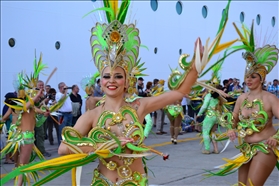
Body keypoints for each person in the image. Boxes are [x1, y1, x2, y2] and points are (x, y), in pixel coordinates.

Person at [1, 1, 237, 185]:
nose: (111, 81)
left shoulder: (139, 107)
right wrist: (102, 148)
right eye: (106, 76)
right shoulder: (93, 114)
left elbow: (179, 93)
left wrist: (196, 67)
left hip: (134, 182)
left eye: (118, 76)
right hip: (102, 182)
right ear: (100, 82)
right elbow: (64, 148)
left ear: (127, 81)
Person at [206, 21, 279, 186]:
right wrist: (231, 128)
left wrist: (276, 138)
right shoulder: (241, 98)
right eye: (247, 76)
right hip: (246, 149)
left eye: (253, 76)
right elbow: (234, 119)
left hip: (264, 148)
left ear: (262, 78)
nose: (248, 80)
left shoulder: (270, 99)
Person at [0, 53, 49, 185]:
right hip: (24, 137)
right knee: (23, 166)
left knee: (18, 165)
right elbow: (27, 108)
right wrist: (37, 97)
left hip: (16, 136)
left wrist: (45, 113)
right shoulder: (24, 105)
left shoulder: (26, 106)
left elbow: (38, 115)